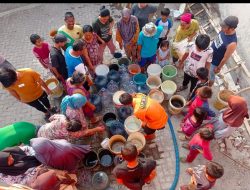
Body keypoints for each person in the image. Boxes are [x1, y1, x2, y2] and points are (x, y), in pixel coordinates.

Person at [209, 16, 238, 86]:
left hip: (214, 62)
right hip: (210, 54)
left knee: (211, 76)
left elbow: (225, 58)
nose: (222, 28)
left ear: (232, 28)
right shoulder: (223, 30)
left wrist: (218, 68)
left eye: (225, 27)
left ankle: (208, 87)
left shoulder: (232, 43)